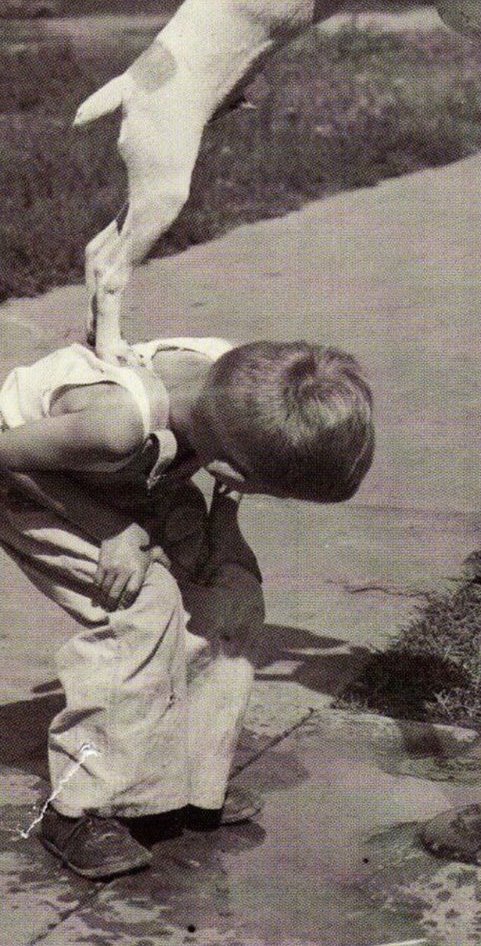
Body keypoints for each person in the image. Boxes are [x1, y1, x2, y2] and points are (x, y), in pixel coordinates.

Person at [0, 335, 374, 880]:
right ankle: (78, 807)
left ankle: (189, 783)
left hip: (138, 481)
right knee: (143, 607)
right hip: (34, 484)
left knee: (233, 593)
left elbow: (224, 488)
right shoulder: (114, 426)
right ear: (230, 466)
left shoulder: (243, 390)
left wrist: (225, 537)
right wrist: (114, 531)